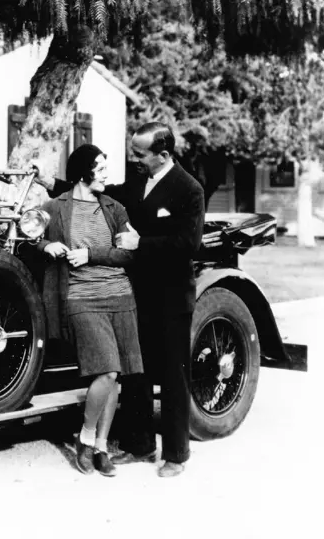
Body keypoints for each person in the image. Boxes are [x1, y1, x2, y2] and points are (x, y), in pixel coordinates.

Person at [37, 123, 206, 478]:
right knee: (136, 373)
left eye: (141, 153)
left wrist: (139, 244)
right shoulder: (137, 182)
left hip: (172, 297)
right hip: (134, 293)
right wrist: (50, 183)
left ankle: (176, 454)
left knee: (174, 375)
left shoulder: (189, 189)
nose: (135, 158)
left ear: (163, 154)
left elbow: (188, 245)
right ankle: (142, 446)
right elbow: (95, 188)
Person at [37, 144, 143, 477]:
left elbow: (129, 254)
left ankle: (100, 446)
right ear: (84, 171)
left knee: (115, 378)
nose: (106, 176)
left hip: (120, 295)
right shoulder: (55, 207)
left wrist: (92, 255)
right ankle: (85, 437)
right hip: (81, 297)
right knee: (107, 371)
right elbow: (27, 237)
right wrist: (46, 244)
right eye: (101, 169)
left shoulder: (115, 208)